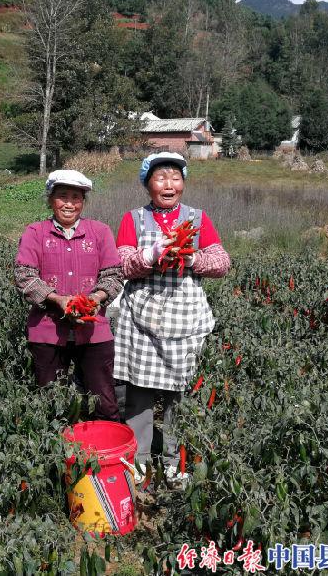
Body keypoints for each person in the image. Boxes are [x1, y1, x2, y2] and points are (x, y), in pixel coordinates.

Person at [113, 152, 230, 484]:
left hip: (184, 316)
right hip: (143, 317)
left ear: (184, 183)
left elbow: (222, 262)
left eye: (175, 178)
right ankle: (138, 460)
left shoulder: (197, 218)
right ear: (147, 183)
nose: (169, 184)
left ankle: (172, 461)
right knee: (140, 393)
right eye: (161, 178)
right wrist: (152, 254)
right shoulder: (132, 219)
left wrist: (191, 257)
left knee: (178, 394)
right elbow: (122, 264)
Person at [14, 169, 123, 422]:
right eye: (63, 196)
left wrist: (94, 299)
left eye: (76, 197)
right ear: (51, 200)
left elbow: (114, 274)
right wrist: (58, 299)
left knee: (104, 398)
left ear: (83, 202)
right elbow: (24, 276)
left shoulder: (100, 232)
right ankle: (57, 451)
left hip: (95, 332)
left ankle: (105, 450)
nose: (69, 203)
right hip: (47, 331)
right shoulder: (36, 232)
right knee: (51, 398)